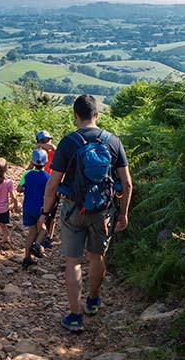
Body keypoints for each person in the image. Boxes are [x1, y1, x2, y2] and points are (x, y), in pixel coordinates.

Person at [39, 94, 133, 332]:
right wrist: (123, 214)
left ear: (75, 116)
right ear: (97, 115)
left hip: (72, 209)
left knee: (73, 262)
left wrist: (45, 212)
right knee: (96, 256)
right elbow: (128, 183)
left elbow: (53, 184)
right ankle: (93, 300)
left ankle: (74, 316)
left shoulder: (68, 143)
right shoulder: (113, 142)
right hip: (103, 210)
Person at [17, 149, 50, 269]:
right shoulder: (47, 177)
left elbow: (19, 189)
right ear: (46, 162)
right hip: (40, 207)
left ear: (33, 161)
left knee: (31, 231)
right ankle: (36, 245)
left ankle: (27, 258)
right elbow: (50, 193)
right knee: (43, 230)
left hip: (27, 206)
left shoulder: (27, 174)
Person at [27, 130, 57, 248]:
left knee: (52, 214)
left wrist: (42, 145)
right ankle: (40, 235)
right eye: (43, 141)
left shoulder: (54, 152)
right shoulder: (38, 154)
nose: (46, 143)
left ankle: (49, 236)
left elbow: (54, 148)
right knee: (42, 211)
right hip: (42, 184)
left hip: (53, 183)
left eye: (48, 140)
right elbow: (30, 167)